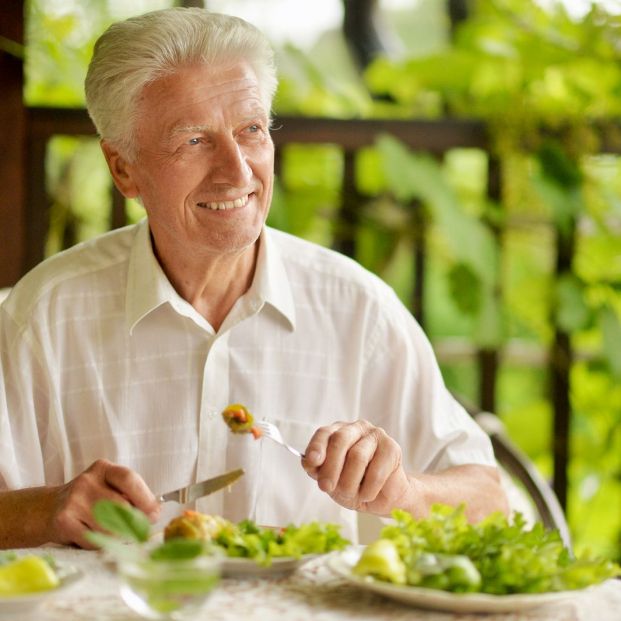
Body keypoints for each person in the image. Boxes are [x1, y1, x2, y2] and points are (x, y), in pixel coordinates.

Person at [0, 7, 507, 550]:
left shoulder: (357, 308)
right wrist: (47, 511)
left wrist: (401, 491)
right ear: (123, 168)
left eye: (251, 131)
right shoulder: (43, 316)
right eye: (194, 140)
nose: (238, 172)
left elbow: (489, 504)